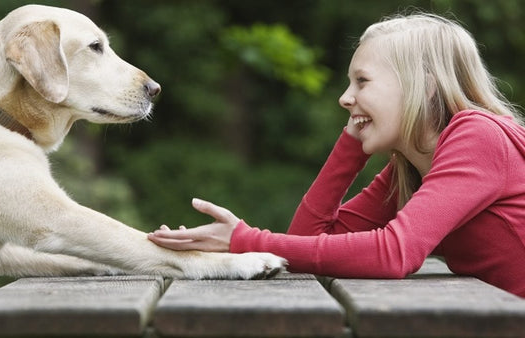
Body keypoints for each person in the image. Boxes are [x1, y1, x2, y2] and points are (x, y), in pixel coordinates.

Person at [148, 13, 525, 297]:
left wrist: (244, 241)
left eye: (362, 81)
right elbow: (307, 240)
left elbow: (394, 254)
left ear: (423, 86)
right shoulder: (409, 169)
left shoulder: (478, 135)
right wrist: (350, 146)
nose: (345, 97)